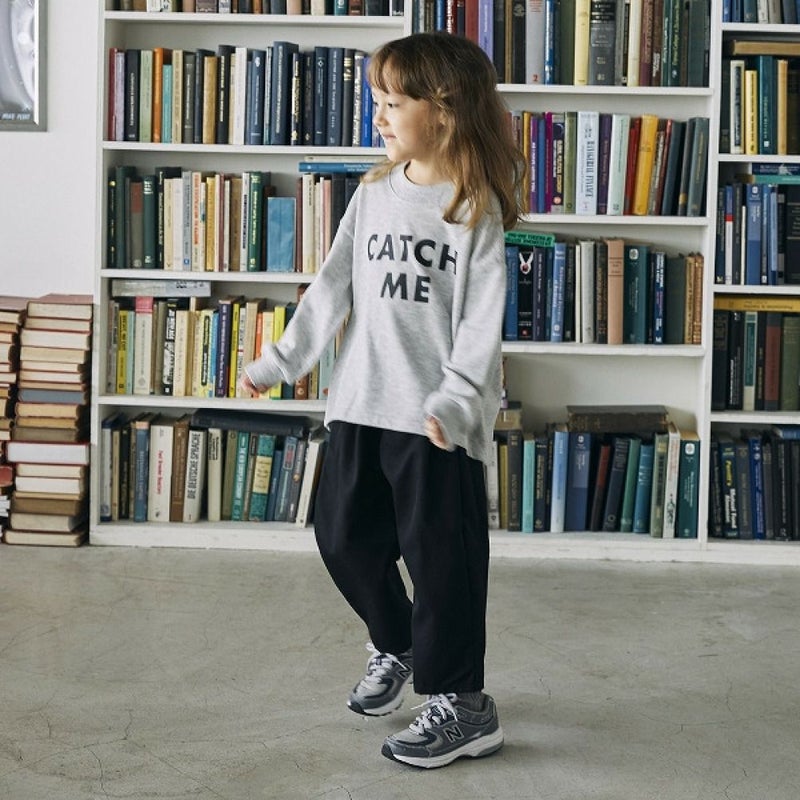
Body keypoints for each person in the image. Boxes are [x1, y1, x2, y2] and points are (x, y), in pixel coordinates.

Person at [240, 30, 525, 769]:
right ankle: (398, 643)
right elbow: (331, 286)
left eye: (393, 103)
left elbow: (481, 323)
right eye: (378, 101)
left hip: (435, 420)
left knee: (442, 563)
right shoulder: (372, 194)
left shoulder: (473, 208)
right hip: (361, 400)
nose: (379, 116)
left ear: (444, 110)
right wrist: (283, 360)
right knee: (341, 536)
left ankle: (465, 706)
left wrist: (457, 400)